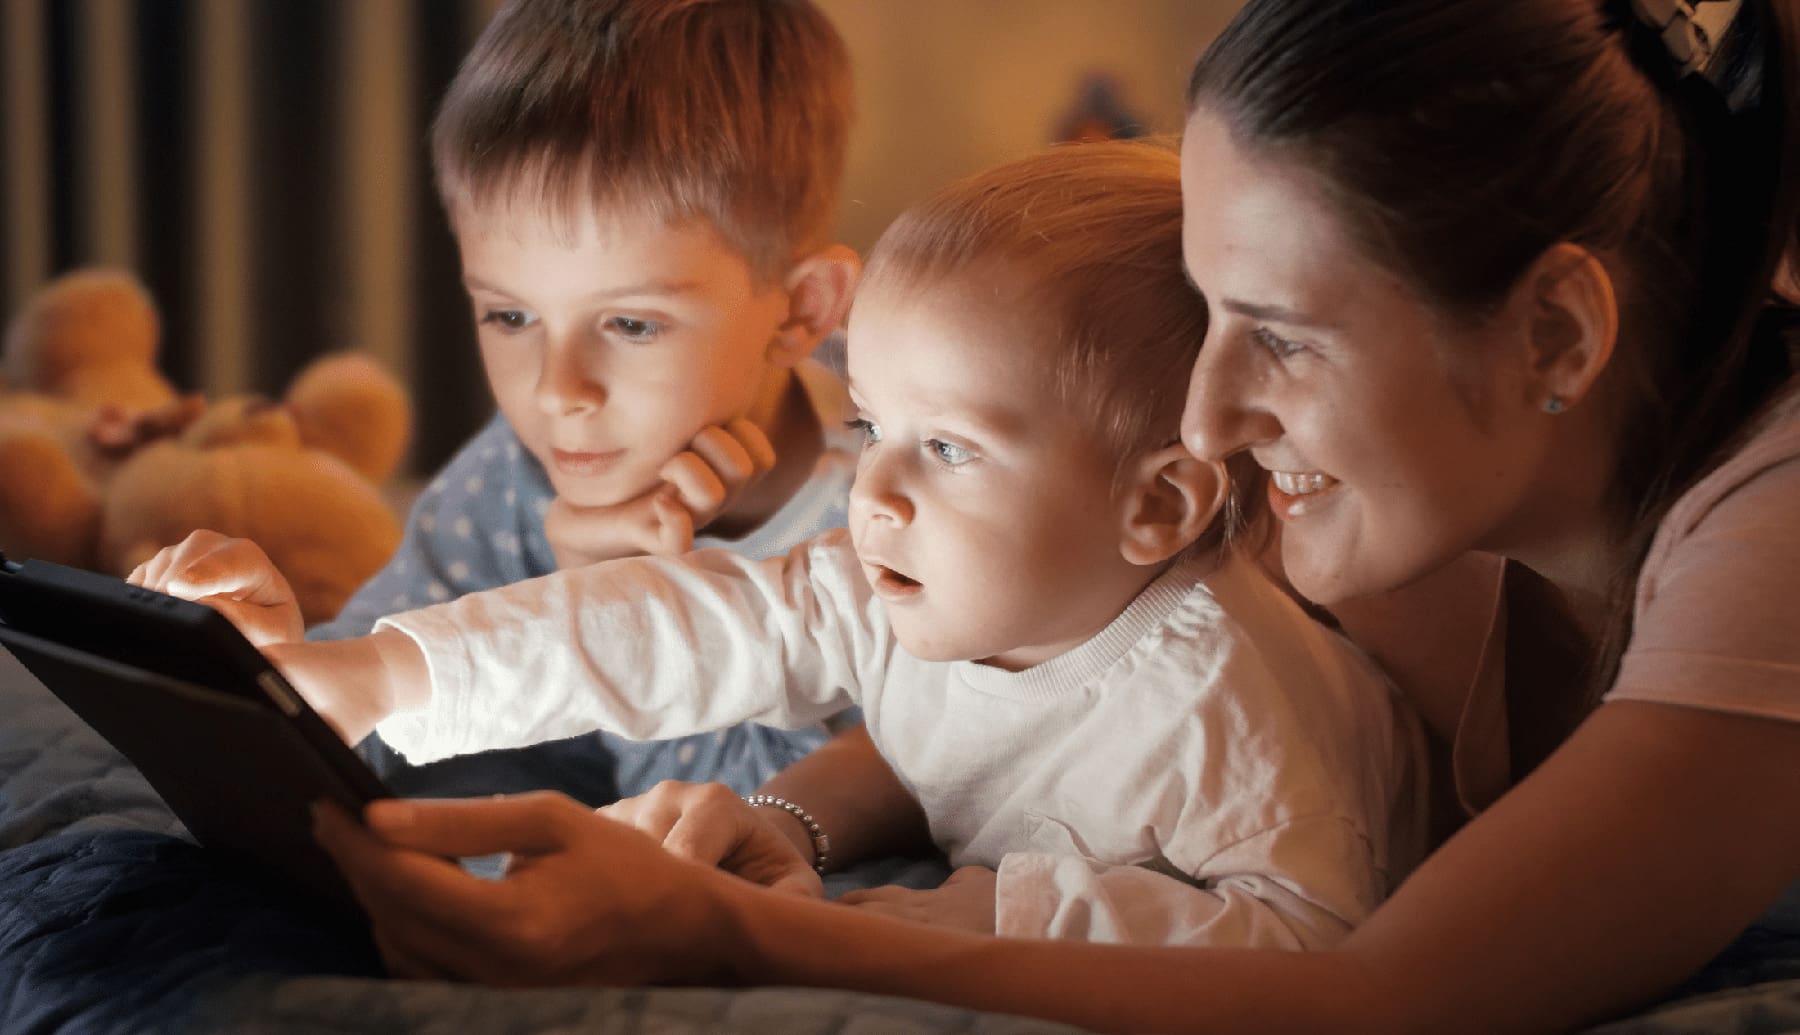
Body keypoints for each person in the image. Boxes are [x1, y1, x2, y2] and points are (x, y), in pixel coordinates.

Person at [222, 0, 1800, 1031]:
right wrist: (784, 821)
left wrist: (734, 933)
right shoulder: (1326, 500)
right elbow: (988, 678)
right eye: (1206, 312)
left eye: (1283, 333)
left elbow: (1371, 992)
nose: (1205, 412)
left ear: (1557, 340)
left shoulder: (1770, 526)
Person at [139, 141, 1427, 948]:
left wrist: (972, 913)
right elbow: (687, 622)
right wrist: (385, 675)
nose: (874, 489)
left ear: (1156, 508)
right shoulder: (914, 567)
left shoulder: (1227, 717)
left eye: (951, 447)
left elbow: (1308, 940)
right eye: (872, 422)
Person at [260, 0, 865, 804]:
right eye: (511, 316)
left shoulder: (892, 517)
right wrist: (262, 660)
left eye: (630, 323)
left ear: (800, 311)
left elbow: (756, 839)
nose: (556, 390)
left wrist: (631, 593)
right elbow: (359, 705)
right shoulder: (515, 476)